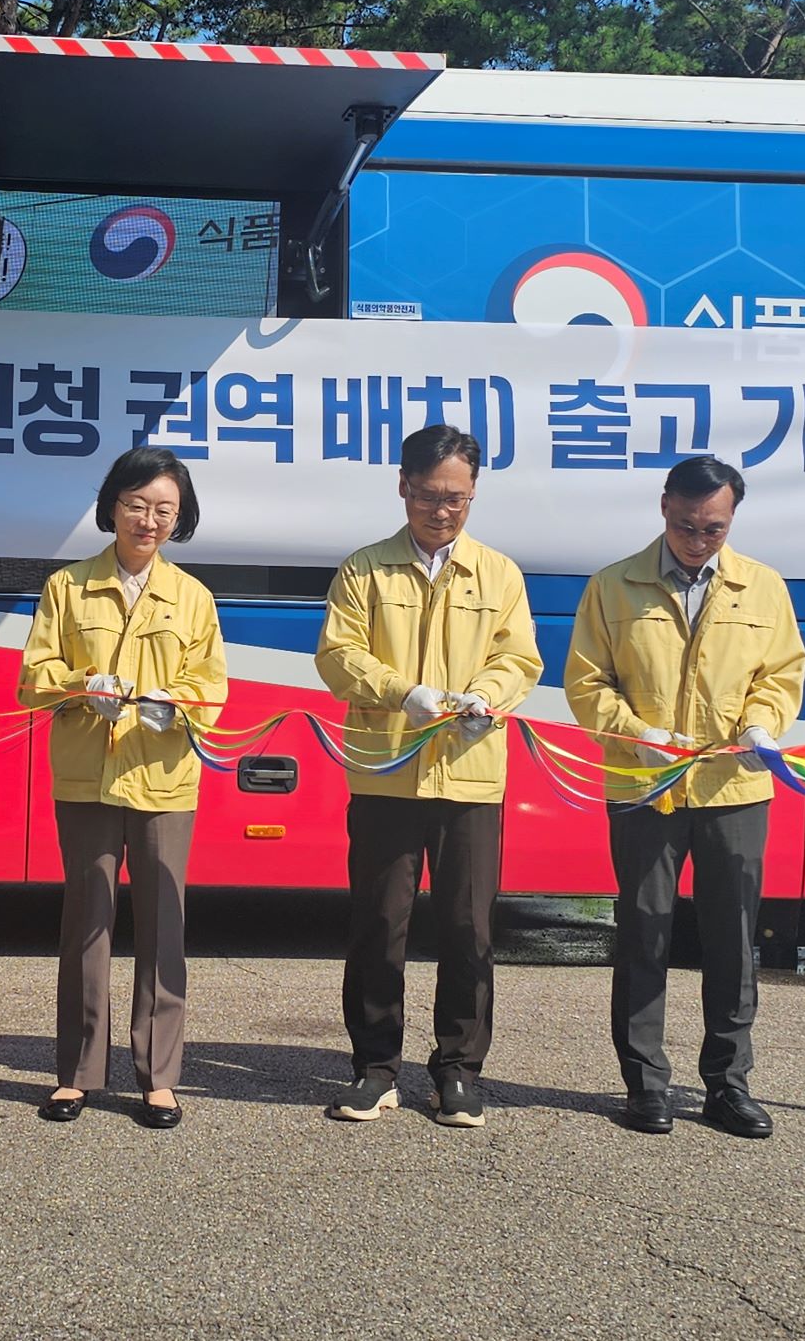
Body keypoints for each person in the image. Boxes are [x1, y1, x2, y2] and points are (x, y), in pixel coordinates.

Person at [565, 455, 805, 1139]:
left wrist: (763, 721)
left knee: (733, 935)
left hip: (734, 788)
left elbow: (782, 673)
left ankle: (728, 1085)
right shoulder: (615, 586)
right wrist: (634, 732)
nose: (698, 541)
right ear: (663, 506)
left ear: (732, 519)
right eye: (686, 525)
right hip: (646, 786)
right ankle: (645, 1085)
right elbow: (586, 682)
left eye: (714, 528)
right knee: (644, 930)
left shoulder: (762, 587)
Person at [315, 425, 542, 1129]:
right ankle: (375, 1068)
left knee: (469, 928)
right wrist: (400, 690)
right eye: (430, 496)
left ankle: (457, 1071)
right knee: (380, 924)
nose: (443, 511)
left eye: (458, 499)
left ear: (473, 495)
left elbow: (520, 658)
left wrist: (490, 695)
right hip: (387, 773)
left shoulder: (499, 574)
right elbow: (336, 655)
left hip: (471, 778)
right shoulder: (365, 570)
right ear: (403, 487)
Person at [19, 447, 228, 1130]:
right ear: (111, 505)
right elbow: (33, 678)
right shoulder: (68, 587)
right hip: (87, 775)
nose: (149, 520)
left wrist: (176, 699)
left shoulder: (193, 597)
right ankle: (77, 1074)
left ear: (179, 518)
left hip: (163, 779)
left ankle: (159, 1077)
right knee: (86, 925)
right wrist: (83, 688)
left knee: (164, 927)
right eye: (137, 505)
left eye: (164, 509)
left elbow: (213, 687)